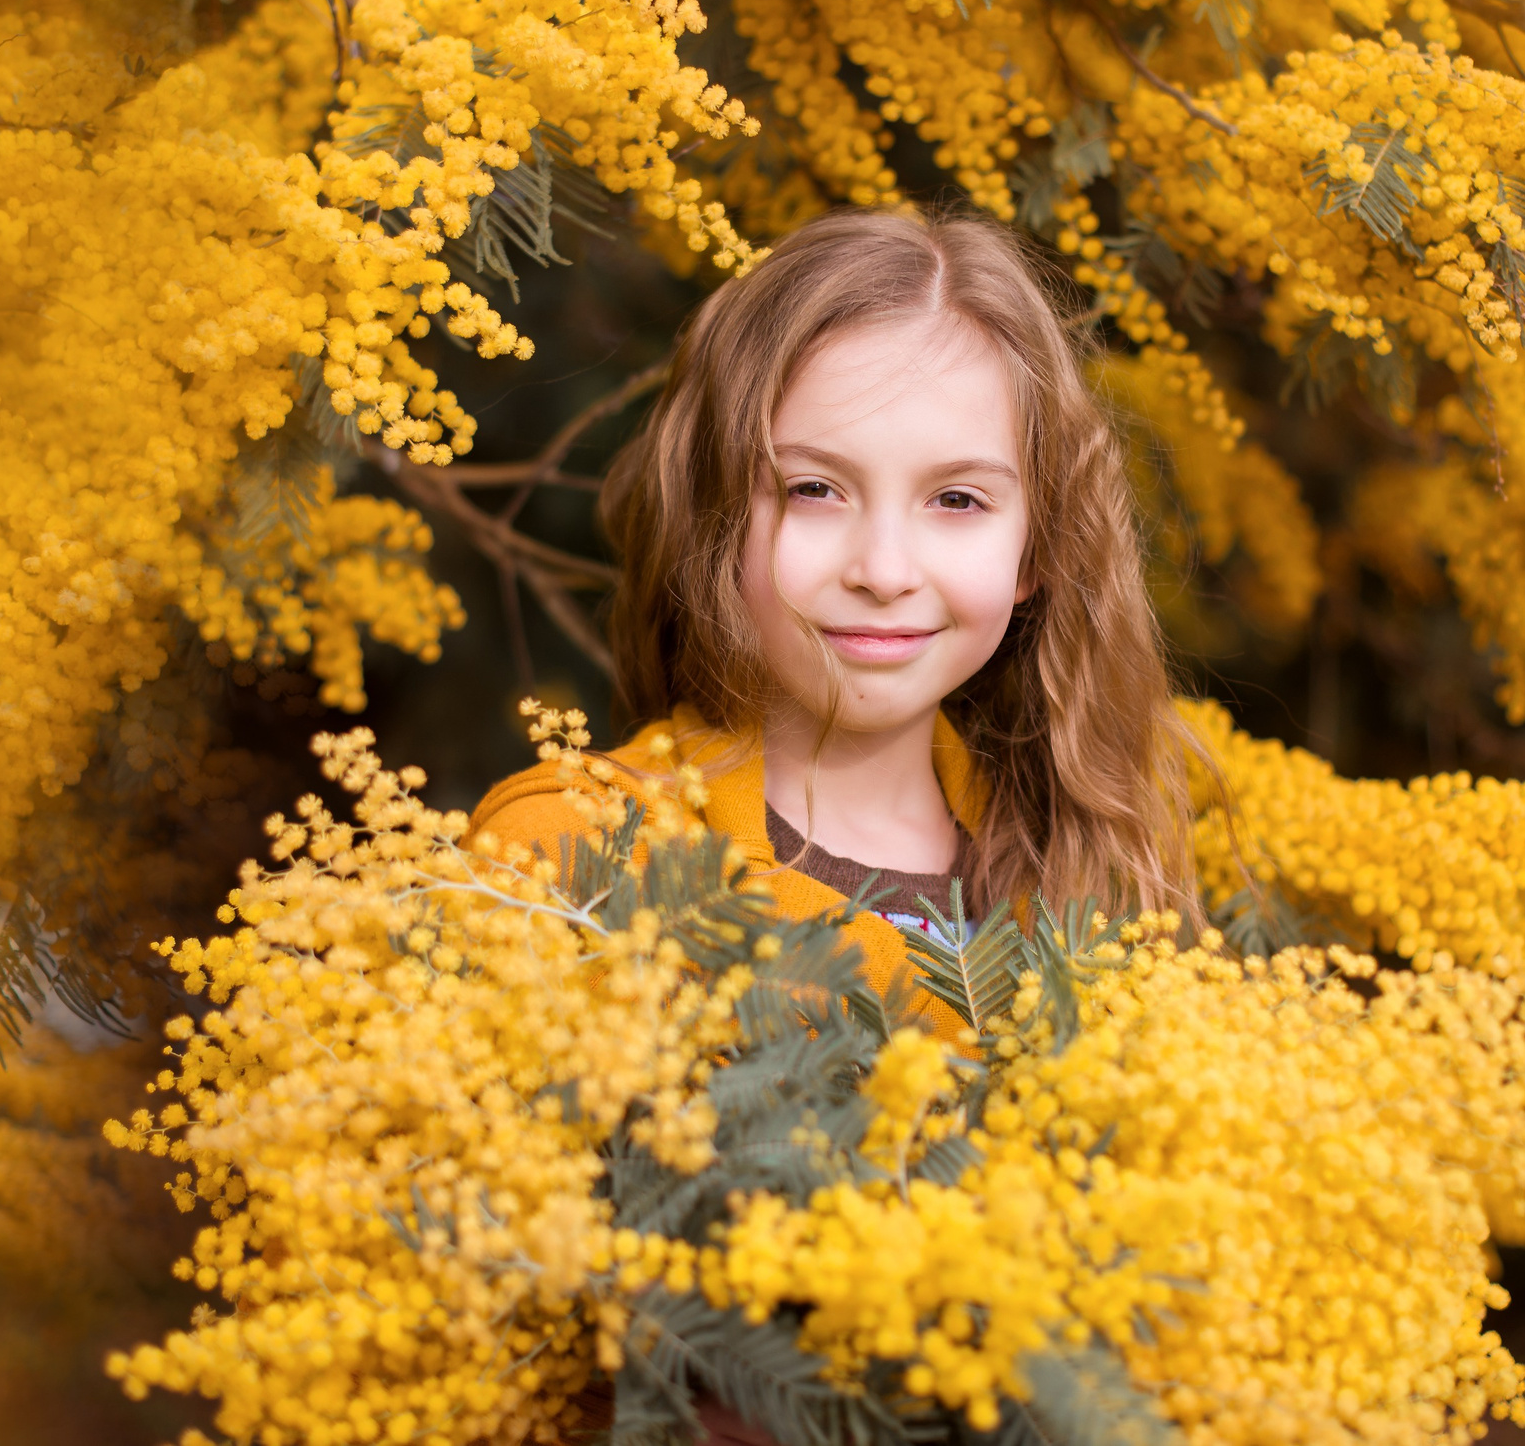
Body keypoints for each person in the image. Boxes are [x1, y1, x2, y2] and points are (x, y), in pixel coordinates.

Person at [467, 204, 1197, 1023]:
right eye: (814, 489)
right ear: (717, 516)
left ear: (1038, 548)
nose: (883, 571)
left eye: (958, 498)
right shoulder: (565, 857)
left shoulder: (1106, 887)